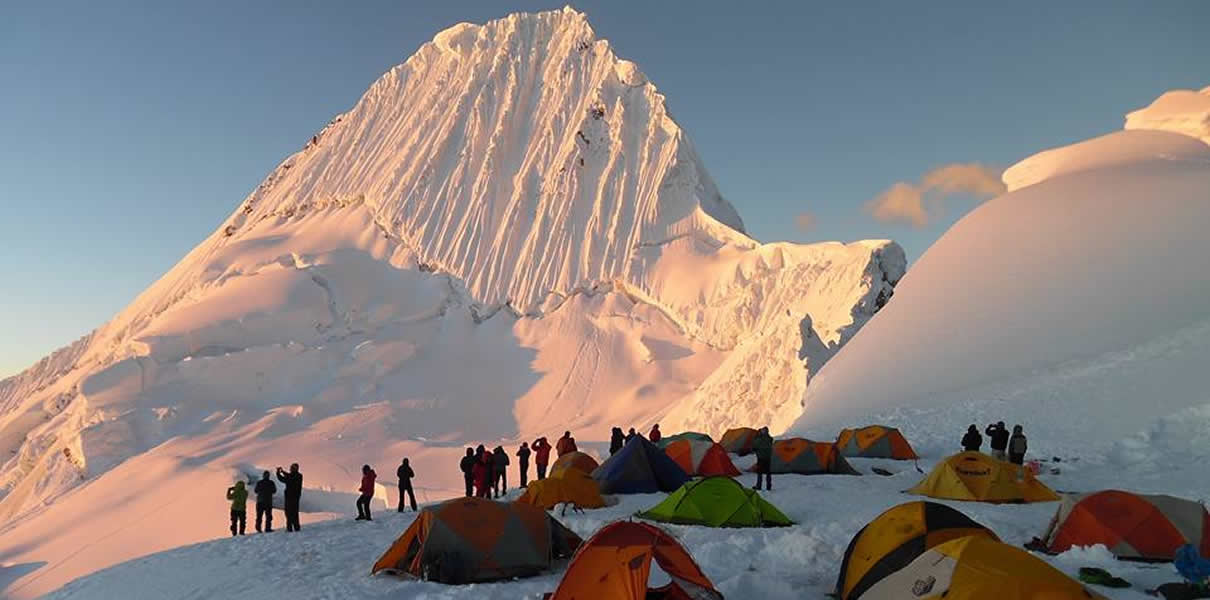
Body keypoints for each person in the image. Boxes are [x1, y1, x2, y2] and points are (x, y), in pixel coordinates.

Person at [275, 463, 303, 532]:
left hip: (289, 497)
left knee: (288, 512)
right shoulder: (299, 476)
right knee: (295, 512)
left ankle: (289, 528)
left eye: (291, 468)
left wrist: (278, 473)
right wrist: (283, 472)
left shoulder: (292, 476)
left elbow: (283, 479)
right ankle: (296, 527)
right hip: (296, 497)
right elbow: (289, 476)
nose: (290, 469)